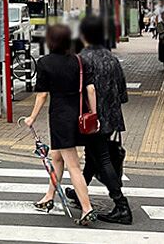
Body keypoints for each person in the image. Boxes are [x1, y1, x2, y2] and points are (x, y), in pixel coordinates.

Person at [22, 23, 97, 226]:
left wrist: (32, 118)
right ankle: (48, 197)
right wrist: (94, 114)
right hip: (78, 115)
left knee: (73, 165)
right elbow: (90, 89)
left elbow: (42, 95)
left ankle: (87, 207)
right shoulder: (79, 61)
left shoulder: (45, 63)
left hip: (60, 117)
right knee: (57, 157)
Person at [64, 17, 132, 225]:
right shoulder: (111, 58)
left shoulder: (82, 59)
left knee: (101, 158)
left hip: (92, 119)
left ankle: (122, 206)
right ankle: (79, 192)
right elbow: (123, 94)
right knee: (94, 157)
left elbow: (78, 91)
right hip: (111, 116)